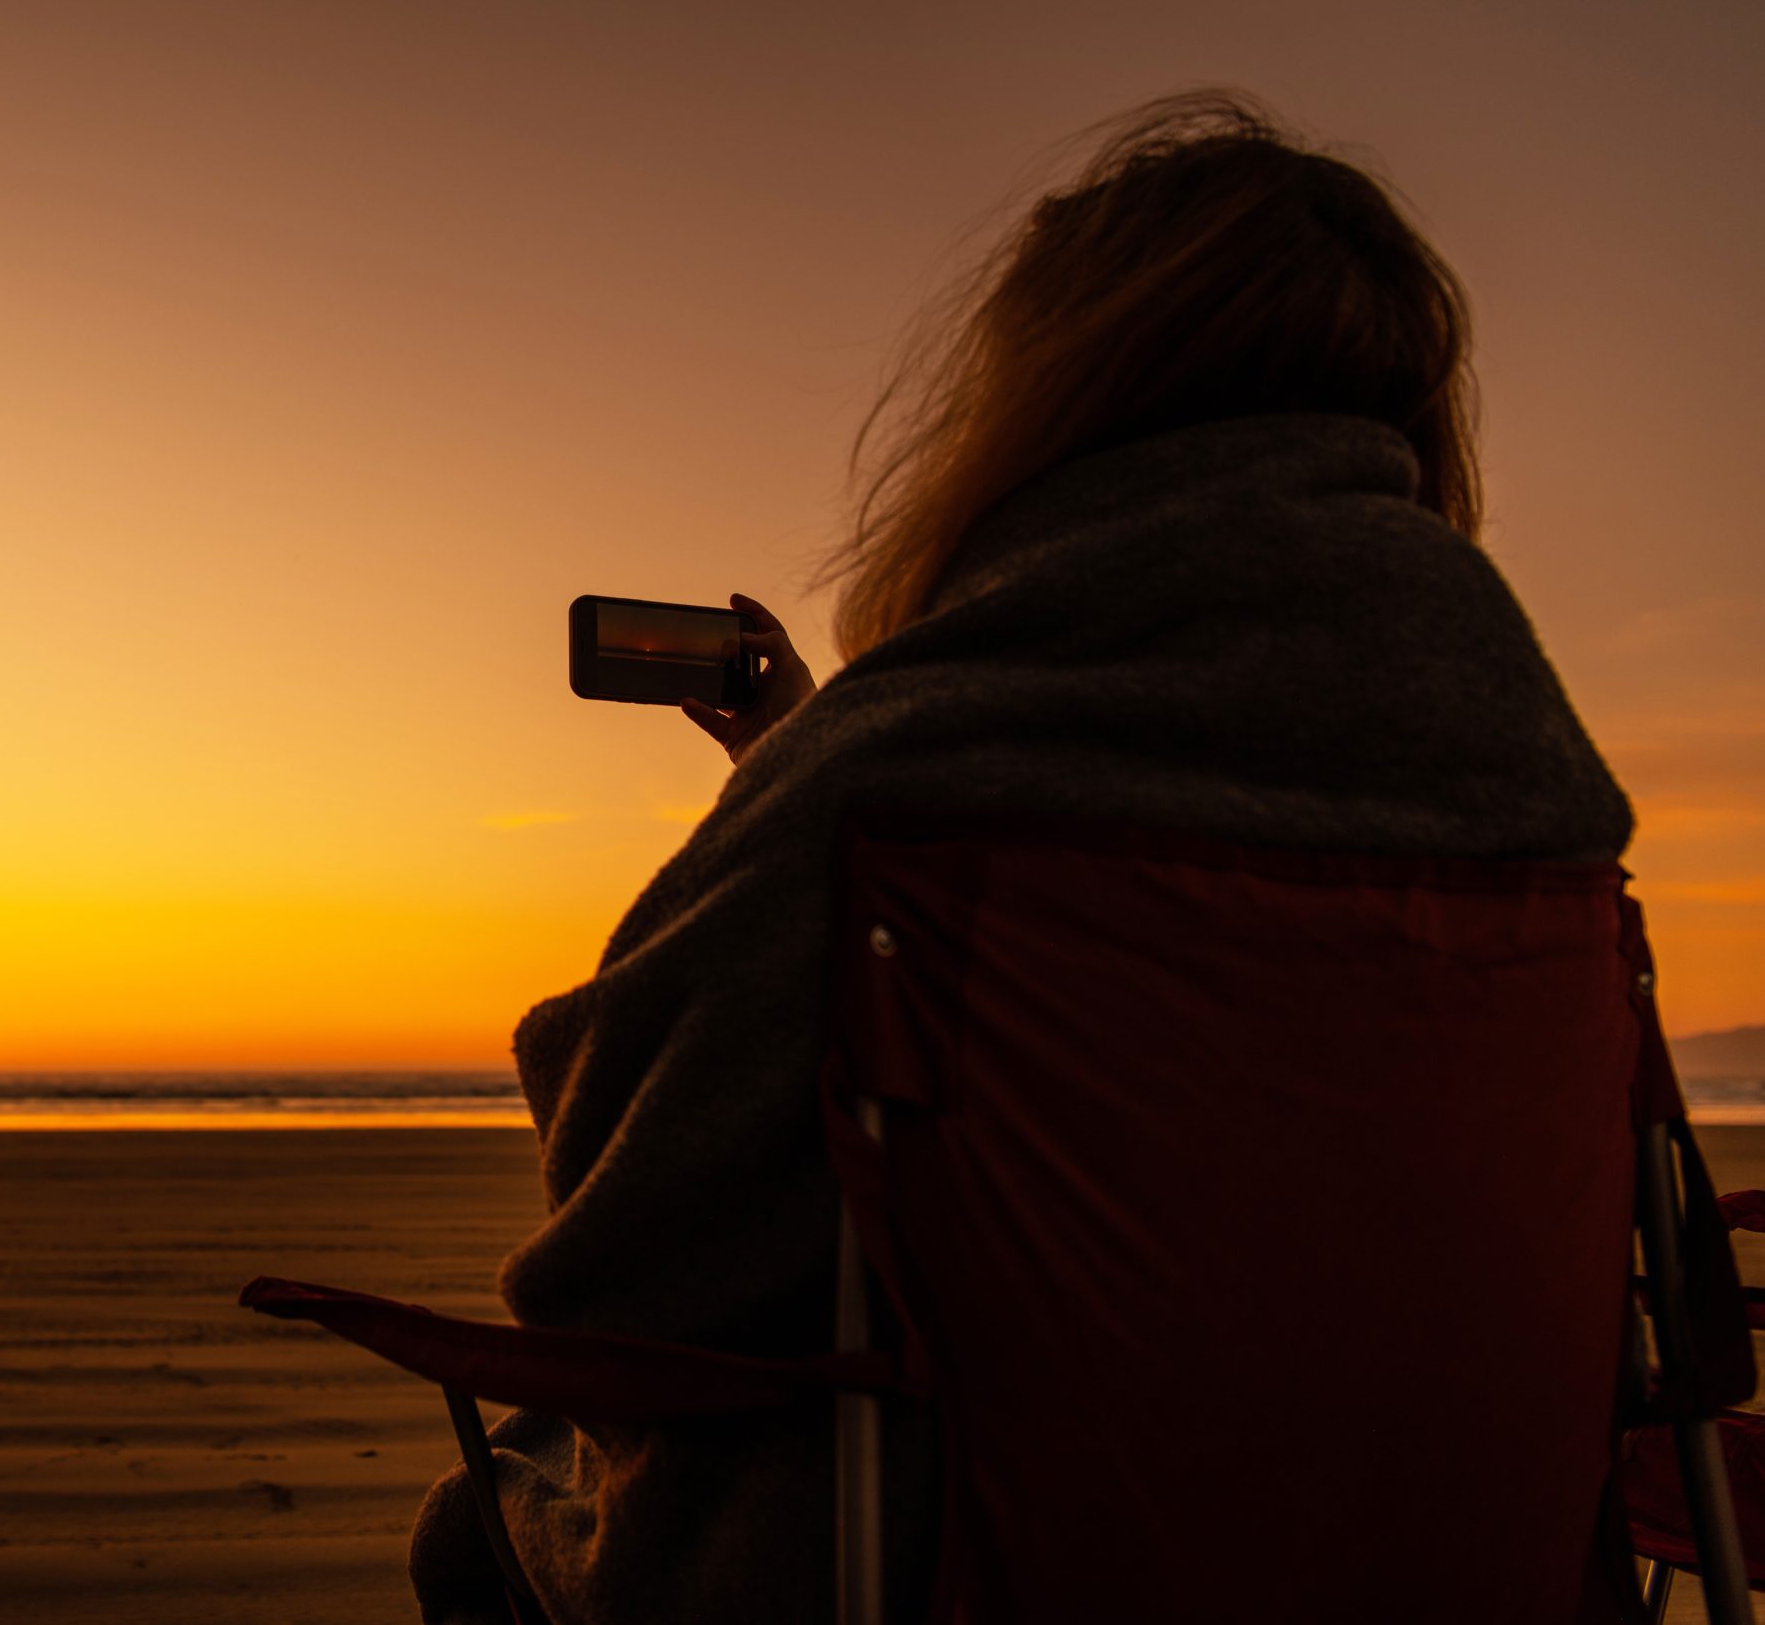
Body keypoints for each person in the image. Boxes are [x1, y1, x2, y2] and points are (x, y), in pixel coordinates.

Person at [407, 89, 1633, 1624]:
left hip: (955, 1565)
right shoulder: (1545, 798)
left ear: (1049, 384)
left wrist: (805, 791)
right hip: (1454, 1560)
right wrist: (799, 765)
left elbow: (623, 1264)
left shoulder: (911, 770)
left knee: (489, 1510)